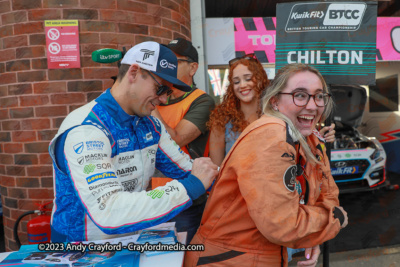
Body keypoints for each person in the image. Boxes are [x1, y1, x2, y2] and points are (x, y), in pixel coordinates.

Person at [48, 41, 218, 242]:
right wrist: (190, 186)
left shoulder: (151, 124)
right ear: (134, 73)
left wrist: (221, 176)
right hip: (80, 250)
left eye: (168, 92)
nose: (163, 100)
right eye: (161, 88)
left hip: (128, 244)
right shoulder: (86, 129)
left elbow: (186, 169)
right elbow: (109, 212)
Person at [184, 63, 348, 267]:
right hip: (228, 260)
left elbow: (327, 194)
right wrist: (333, 220)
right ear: (275, 101)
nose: (313, 105)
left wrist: (314, 236)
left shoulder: (310, 138)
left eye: (319, 96)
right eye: (300, 95)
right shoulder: (272, 135)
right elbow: (285, 225)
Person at [208, 54, 336, 167]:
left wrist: (320, 137)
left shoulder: (278, 114)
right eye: (236, 81)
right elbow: (217, 169)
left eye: (248, 78)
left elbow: (301, 144)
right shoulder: (221, 121)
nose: (242, 85)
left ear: (260, 79)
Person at [150, 38, 215, 244]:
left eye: (173, 61)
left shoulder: (202, 101)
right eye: (162, 60)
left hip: (186, 197)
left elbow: (175, 139)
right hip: (150, 197)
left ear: (193, 67)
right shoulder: (153, 97)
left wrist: (150, 104)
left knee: (182, 257)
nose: (165, 65)